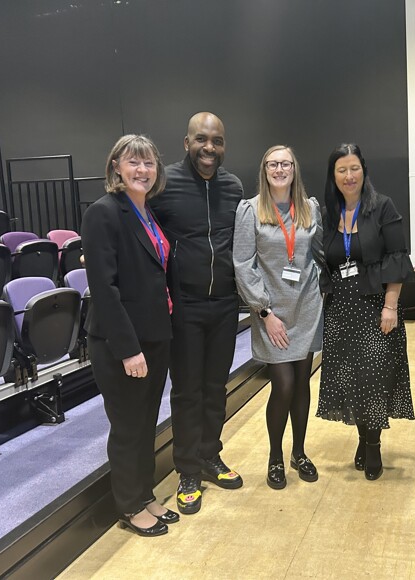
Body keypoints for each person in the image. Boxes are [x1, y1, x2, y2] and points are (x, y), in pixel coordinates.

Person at [148, 112, 244, 515]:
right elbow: (141, 231)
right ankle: (187, 469)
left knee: (215, 388)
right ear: (187, 143)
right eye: (202, 139)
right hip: (183, 306)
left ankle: (209, 455)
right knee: (188, 391)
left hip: (224, 304)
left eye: (217, 141)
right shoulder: (164, 184)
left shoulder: (234, 187)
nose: (210, 148)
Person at [82, 134, 178, 536]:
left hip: (154, 336)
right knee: (126, 426)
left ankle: (144, 494)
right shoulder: (104, 213)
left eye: (149, 163)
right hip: (121, 344)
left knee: (146, 422)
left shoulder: (146, 211)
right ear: (116, 167)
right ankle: (128, 505)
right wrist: (128, 350)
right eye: (133, 162)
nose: (142, 170)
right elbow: (104, 289)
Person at [316, 143, 415, 481]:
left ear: (364, 170)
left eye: (354, 168)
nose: (349, 176)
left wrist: (391, 306)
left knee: (374, 378)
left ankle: (373, 446)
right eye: (342, 170)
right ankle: (364, 437)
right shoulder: (329, 214)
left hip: (375, 307)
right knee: (353, 379)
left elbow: (397, 257)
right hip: (340, 310)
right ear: (333, 175)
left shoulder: (382, 207)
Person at [233, 145, 324, 490]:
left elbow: (318, 254)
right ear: (264, 170)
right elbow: (243, 264)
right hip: (270, 311)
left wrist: (320, 287)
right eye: (273, 164)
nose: (279, 169)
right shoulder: (251, 210)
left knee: (301, 384)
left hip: (306, 307)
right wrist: (264, 311)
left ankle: (299, 452)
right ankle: (275, 457)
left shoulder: (310, 208)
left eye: (285, 163)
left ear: (294, 169)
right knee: (283, 385)